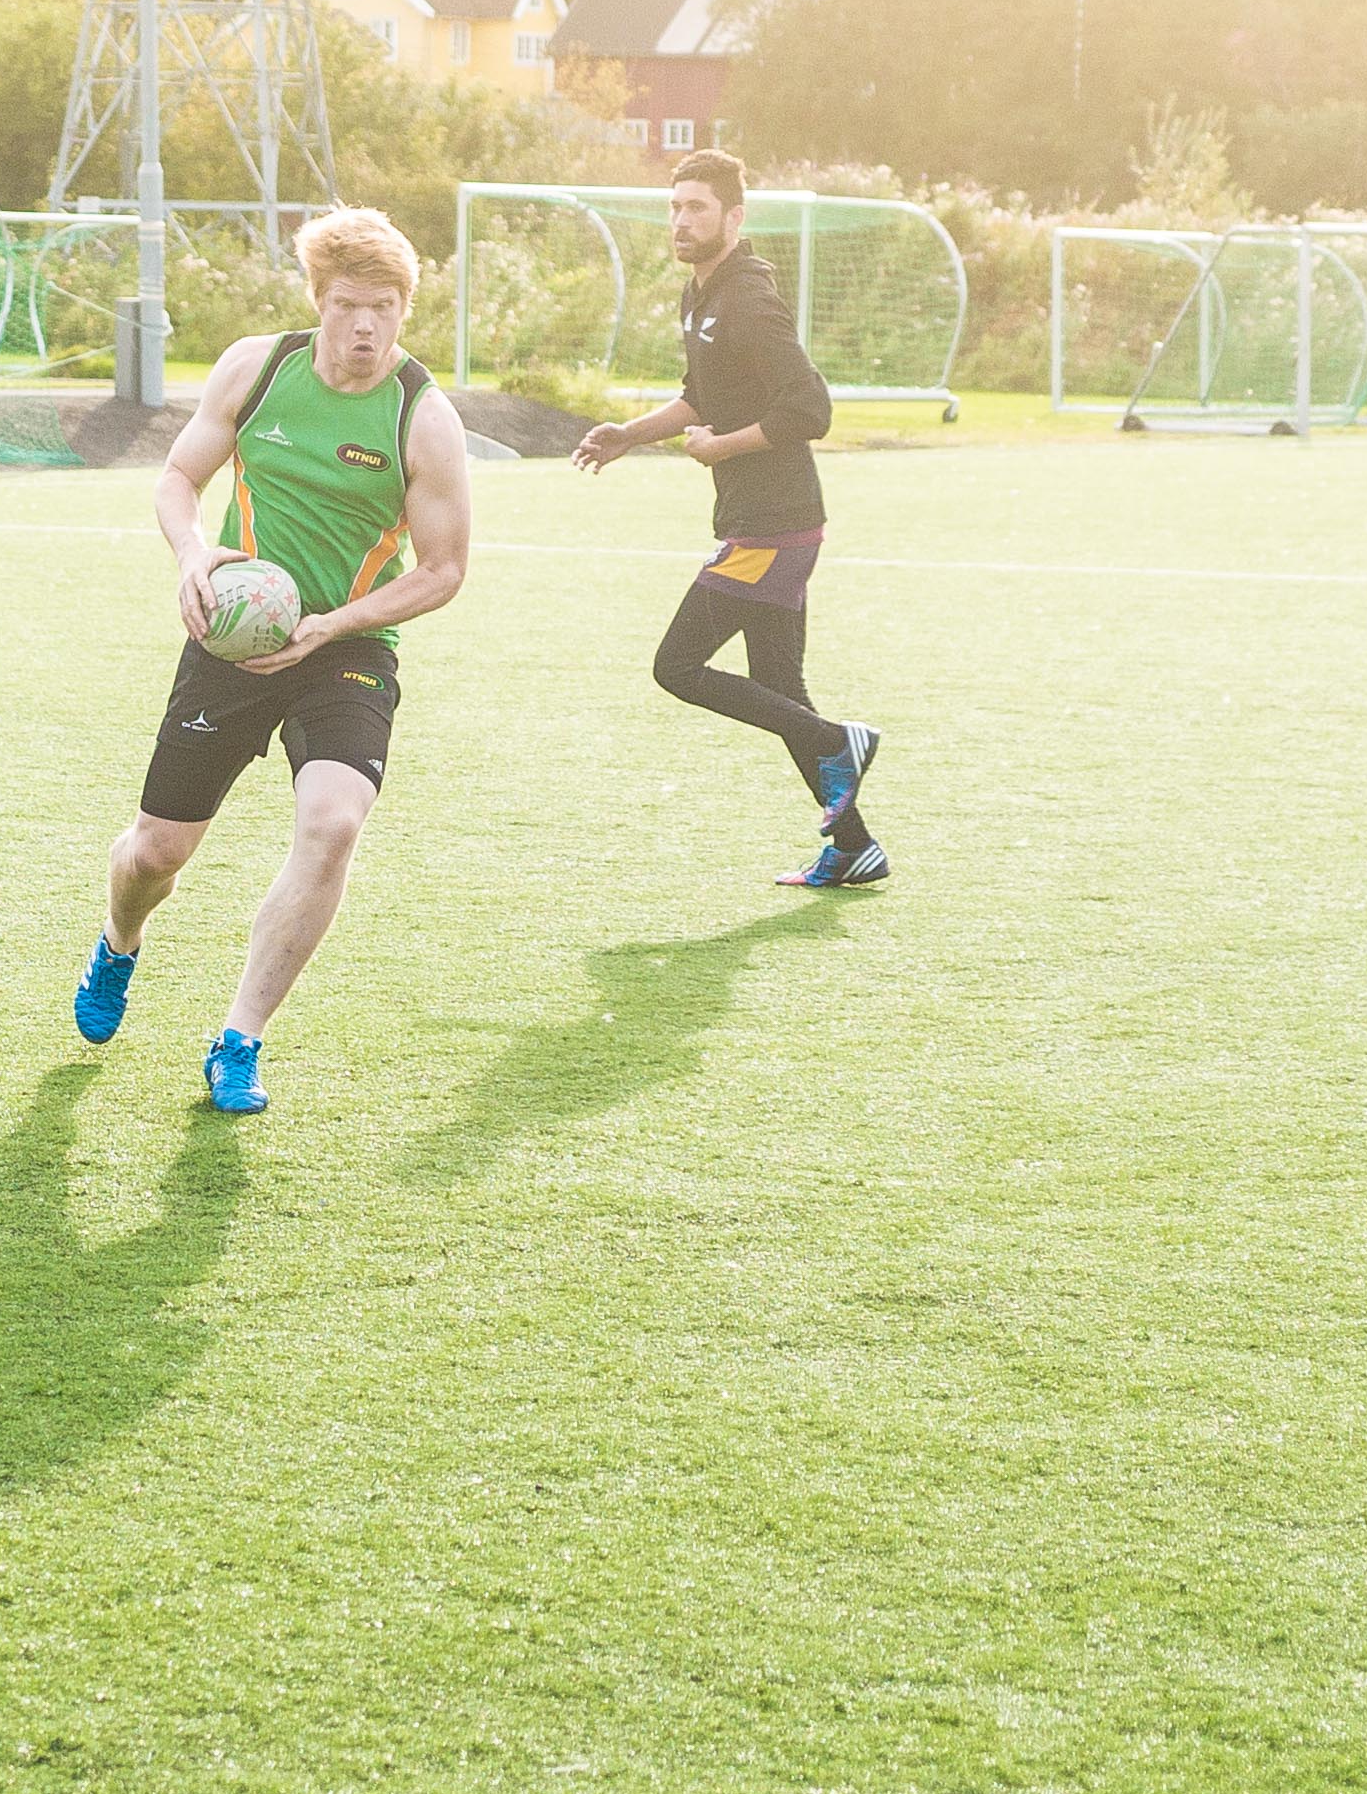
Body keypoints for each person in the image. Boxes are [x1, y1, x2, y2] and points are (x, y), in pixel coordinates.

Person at [76, 205, 480, 1116]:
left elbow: (444, 570)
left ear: (405, 309)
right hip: (231, 631)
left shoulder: (424, 417)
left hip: (350, 645)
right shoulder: (257, 368)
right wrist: (190, 553)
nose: (366, 326)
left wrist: (334, 626)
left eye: (384, 307)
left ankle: (239, 1040)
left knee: (335, 822)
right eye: (348, 305)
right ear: (318, 300)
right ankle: (118, 939)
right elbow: (178, 477)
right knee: (155, 852)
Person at [571, 147, 882, 887]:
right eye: (675, 206)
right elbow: (699, 394)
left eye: (697, 208)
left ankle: (839, 741)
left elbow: (810, 408)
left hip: (773, 527)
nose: (681, 220)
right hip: (765, 520)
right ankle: (854, 848)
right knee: (780, 684)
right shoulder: (701, 295)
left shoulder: (748, 300)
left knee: (676, 665)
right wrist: (628, 434)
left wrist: (720, 449)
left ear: (733, 217)